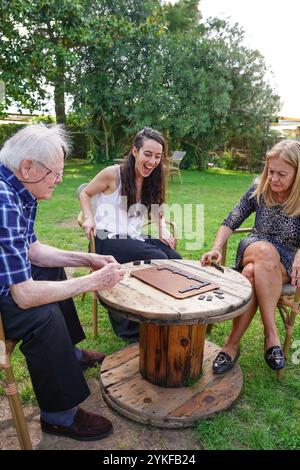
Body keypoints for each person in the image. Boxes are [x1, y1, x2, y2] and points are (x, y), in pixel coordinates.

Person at [0, 124, 125, 441]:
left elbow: (33, 251)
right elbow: (25, 296)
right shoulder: (4, 200)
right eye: (55, 173)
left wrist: (87, 260)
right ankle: (59, 417)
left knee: (51, 273)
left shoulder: (16, 187)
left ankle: (68, 356)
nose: (59, 180)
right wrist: (93, 281)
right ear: (28, 166)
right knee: (42, 315)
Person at [201, 140, 300, 374]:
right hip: (254, 247)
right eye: (270, 171)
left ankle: (231, 346)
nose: (273, 178)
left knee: (252, 273)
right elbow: (231, 220)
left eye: (282, 174)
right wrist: (216, 247)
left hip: (285, 261)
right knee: (264, 253)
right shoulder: (259, 187)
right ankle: (271, 335)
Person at [80, 127, 181, 342]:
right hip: (105, 240)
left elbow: (157, 209)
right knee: (159, 259)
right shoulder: (112, 174)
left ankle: (171, 313)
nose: (152, 161)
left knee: (174, 258)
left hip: (131, 238)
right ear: (134, 151)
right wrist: (88, 217)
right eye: (147, 154)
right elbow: (85, 192)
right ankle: (133, 327)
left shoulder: (152, 178)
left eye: (157, 156)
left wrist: (162, 227)